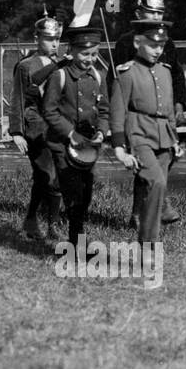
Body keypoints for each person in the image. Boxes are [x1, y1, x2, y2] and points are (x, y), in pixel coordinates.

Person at [111, 0, 186, 226]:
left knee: (164, 159)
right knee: (146, 164)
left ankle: (142, 212)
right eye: (151, 12)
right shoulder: (126, 42)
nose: (155, 17)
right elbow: (118, 82)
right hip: (137, 118)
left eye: (159, 13)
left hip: (162, 117)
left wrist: (179, 104)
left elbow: (176, 75)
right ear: (138, 13)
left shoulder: (167, 42)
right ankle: (155, 208)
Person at [41, 23, 110, 243]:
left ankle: (76, 232)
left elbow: (104, 110)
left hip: (87, 146)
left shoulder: (97, 77)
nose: (90, 59)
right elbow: (49, 111)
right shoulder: (60, 76)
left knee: (86, 193)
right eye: (84, 54)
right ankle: (76, 240)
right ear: (71, 51)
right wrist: (70, 133)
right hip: (63, 144)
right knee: (73, 193)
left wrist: (102, 131)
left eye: (94, 54)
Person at [9, 10, 65, 243]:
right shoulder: (26, 66)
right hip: (36, 128)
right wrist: (16, 132)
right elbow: (18, 99)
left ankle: (52, 223)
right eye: (49, 39)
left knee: (58, 177)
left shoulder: (62, 65)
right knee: (45, 175)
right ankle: (32, 218)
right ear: (37, 39)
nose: (54, 44)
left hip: (57, 128)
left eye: (57, 39)